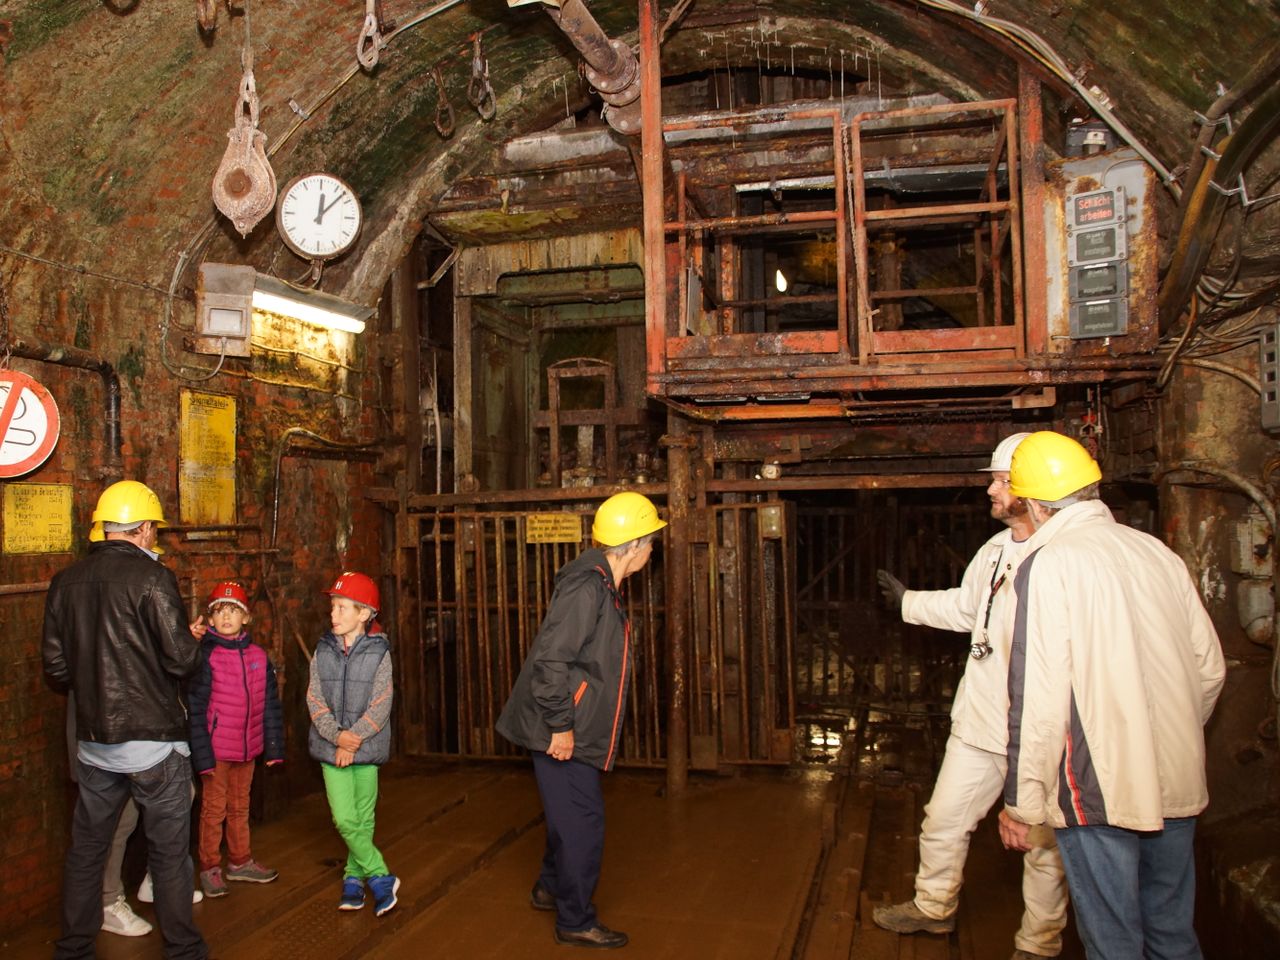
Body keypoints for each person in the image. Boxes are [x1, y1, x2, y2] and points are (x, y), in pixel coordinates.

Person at [1000, 431, 1225, 959]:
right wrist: (1174, 737)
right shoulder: (1158, 554)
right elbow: (1210, 669)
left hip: (1101, 790)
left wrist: (1022, 801)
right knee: (1172, 930)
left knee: (1113, 941)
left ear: (1034, 502)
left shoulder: (1051, 562)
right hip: (1179, 778)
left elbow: (1040, 695)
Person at [872, 434, 1070, 960]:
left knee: (1042, 842)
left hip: (1044, 730)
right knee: (944, 818)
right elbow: (967, 609)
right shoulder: (996, 549)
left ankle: (1039, 943)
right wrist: (908, 601)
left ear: (1030, 489)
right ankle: (933, 907)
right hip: (982, 720)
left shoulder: (1065, 558)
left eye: (1001, 481)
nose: (990, 489)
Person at [42, 480, 209, 960]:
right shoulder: (154, 579)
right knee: (170, 855)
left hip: (95, 745)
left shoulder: (64, 582)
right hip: (155, 743)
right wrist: (190, 645)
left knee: (87, 850)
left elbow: (56, 669)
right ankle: (184, 951)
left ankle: (73, 949)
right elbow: (181, 661)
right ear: (144, 528)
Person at [495, 491, 666, 950]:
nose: (652, 551)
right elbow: (552, 660)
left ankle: (550, 887)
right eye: (650, 543)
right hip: (559, 725)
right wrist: (561, 725)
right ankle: (574, 918)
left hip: (568, 719)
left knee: (567, 815)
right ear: (631, 545)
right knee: (583, 823)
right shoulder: (587, 587)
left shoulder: (599, 581)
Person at [307, 571, 399, 916]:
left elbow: (382, 703)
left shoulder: (380, 654)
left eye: (342, 607)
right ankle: (380, 875)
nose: (334, 614)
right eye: (333, 606)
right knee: (344, 819)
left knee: (363, 819)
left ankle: (353, 878)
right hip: (332, 750)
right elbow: (315, 699)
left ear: (364, 613)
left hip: (366, 749)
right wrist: (337, 738)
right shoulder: (322, 651)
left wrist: (352, 740)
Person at [188, 580, 284, 898]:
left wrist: (272, 746)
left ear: (245, 618)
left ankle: (240, 861)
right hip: (217, 750)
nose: (226, 617)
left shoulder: (258, 656)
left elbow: (270, 705)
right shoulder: (206, 657)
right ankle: (210, 867)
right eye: (219, 611)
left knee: (240, 806)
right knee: (214, 810)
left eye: (234, 610)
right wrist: (201, 754)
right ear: (211, 619)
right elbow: (197, 708)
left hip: (248, 747)